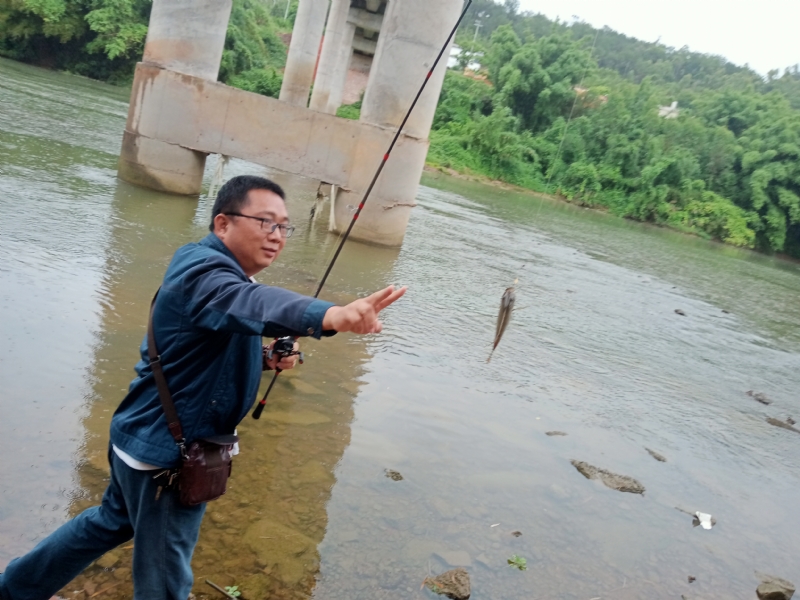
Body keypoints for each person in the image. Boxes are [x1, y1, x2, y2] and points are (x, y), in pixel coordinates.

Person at [0, 175, 406, 600]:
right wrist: (331, 315)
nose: (277, 236)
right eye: (265, 222)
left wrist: (266, 357)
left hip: (140, 435)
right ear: (223, 224)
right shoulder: (207, 275)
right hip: (166, 457)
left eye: (284, 226)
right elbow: (253, 305)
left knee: (108, 522)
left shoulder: (212, 270)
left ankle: (15, 589)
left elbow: (209, 341)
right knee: (164, 580)